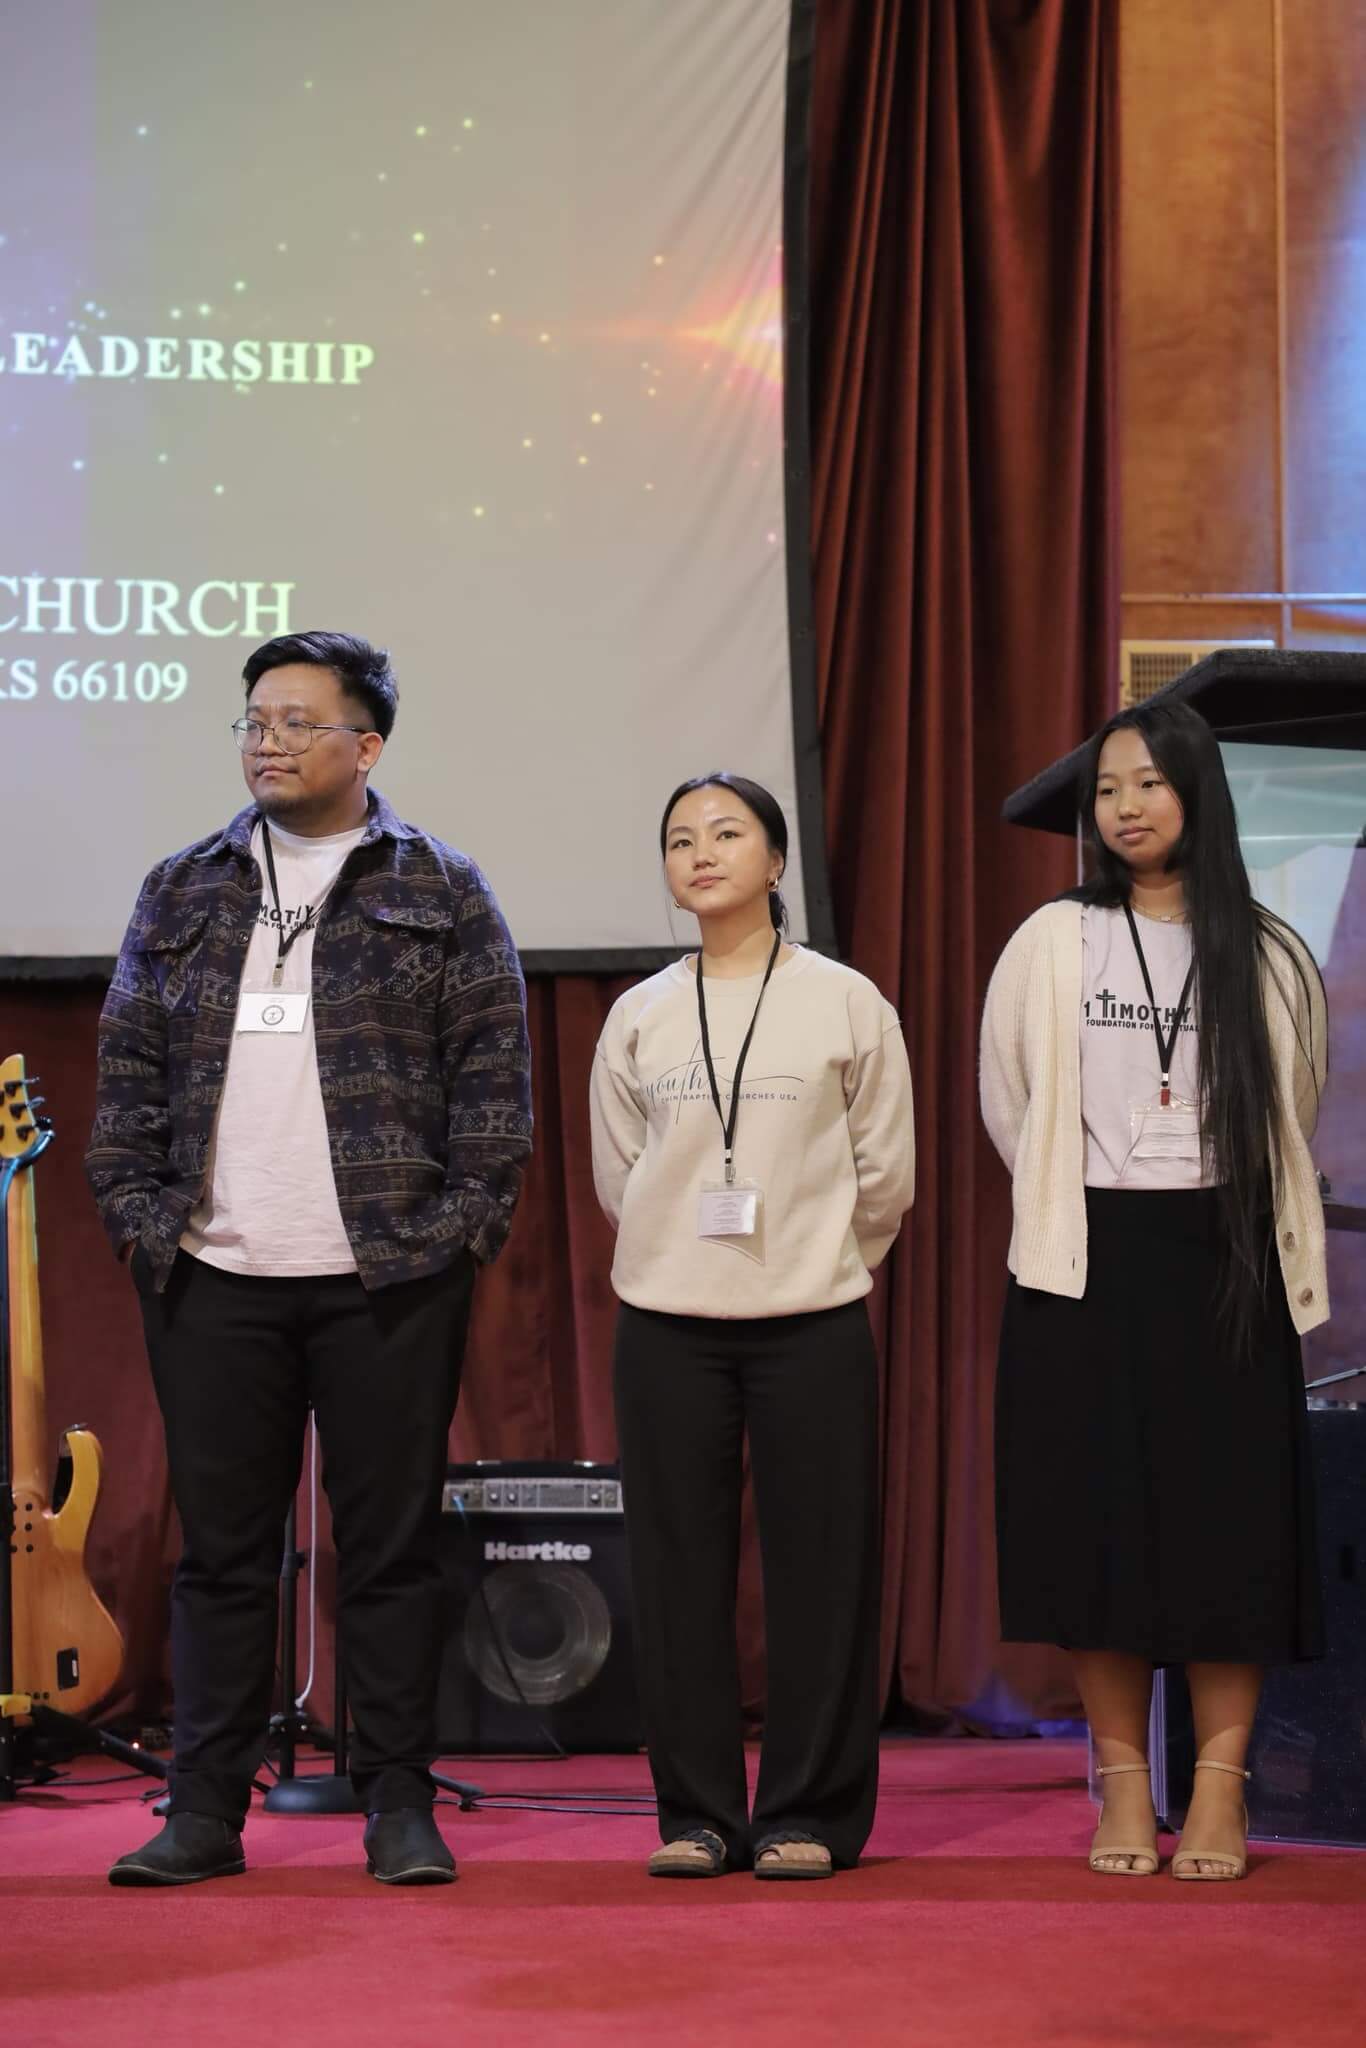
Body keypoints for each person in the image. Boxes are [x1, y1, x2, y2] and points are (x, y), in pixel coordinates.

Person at [86, 630, 532, 1887]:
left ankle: (398, 1802)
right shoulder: (182, 884)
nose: (267, 742)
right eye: (253, 721)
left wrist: (459, 1230)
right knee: (223, 1555)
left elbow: (494, 1075)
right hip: (211, 1268)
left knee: (391, 1550)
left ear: (366, 744)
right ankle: (203, 1811)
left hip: (389, 1270)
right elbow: (125, 1067)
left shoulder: (443, 885)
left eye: (296, 721)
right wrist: (137, 1213)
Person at [980, 700, 1328, 1882]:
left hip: (1226, 1254)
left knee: (1233, 1531)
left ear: (1196, 793)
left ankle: (1220, 1788)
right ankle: (1122, 1784)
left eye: (1148, 783)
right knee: (1097, 1529)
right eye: (1107, 787)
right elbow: (1009, 1099)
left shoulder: (1268, 950)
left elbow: (1295, 1099)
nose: (1124, 806)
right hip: (1084, 1254)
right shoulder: (1051, 940)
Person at [589, 772, 914, 1880]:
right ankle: (698, 1815)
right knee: (675, 1572)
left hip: (812, 1317)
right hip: (665, 1320)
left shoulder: (846, 1001)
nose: (702, 852)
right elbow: (620, 1173)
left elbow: (885, 1171)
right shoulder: (640, 1012)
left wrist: (822, 1259)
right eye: (680, 838)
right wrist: (676, 1251)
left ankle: (808, 1813)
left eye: (727, 833)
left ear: (776, 861)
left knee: (822, 1570)